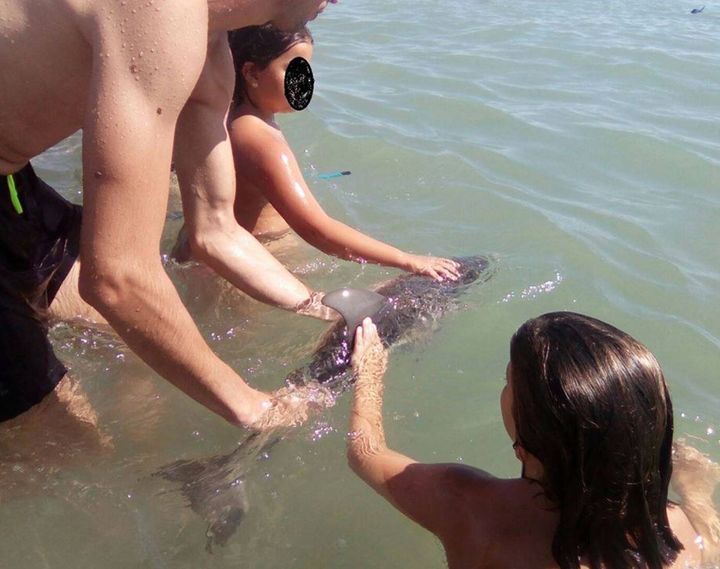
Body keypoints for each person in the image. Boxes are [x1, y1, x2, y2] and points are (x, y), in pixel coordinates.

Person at [0, 0, 340, 432]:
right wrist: (251, 406)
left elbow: (216, 231)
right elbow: (118, 278)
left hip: (13, 181)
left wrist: (319, 307)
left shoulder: (208, 48)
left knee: (132, 342)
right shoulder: (159, 15)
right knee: (67, 447)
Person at [347, 313, 720, 568]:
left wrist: (368, 373)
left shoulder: (468, 506)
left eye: (508, 380)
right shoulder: (682, 531)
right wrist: (698, 494)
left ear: (527, 448)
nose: (506, 385)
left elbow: (365, 452)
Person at [174, 24, 461, 282]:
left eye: (307, 68)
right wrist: (407, 260)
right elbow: (316, 230)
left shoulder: (225, 118)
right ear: (251, 72)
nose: (304, 80)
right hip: (238, 265)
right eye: (292, 68)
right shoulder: (259, 140)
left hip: (211, 255)